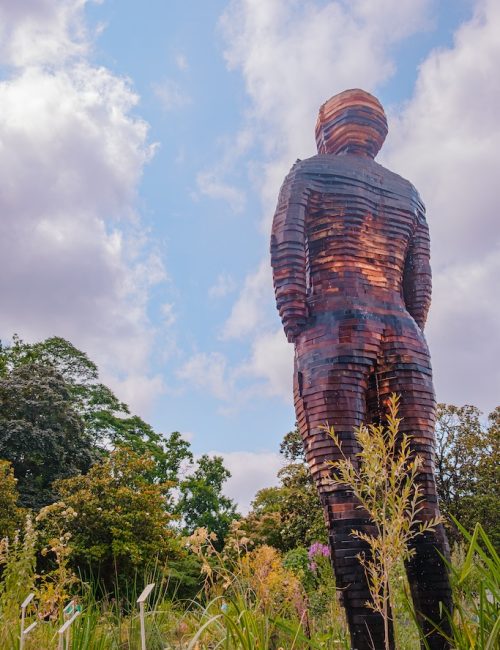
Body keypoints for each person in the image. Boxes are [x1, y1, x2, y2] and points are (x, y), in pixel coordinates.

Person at [271, 89, 452, 650]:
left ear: (327, 130)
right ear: (378, 133)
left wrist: (301, 326)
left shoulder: (308, 173)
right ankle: (444, 641)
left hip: (334, 329)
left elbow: (287, 251)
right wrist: (404, 327)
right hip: (405, 337)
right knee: (419, 490)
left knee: (346, 490)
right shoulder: (410, 194)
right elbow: (419, 286)